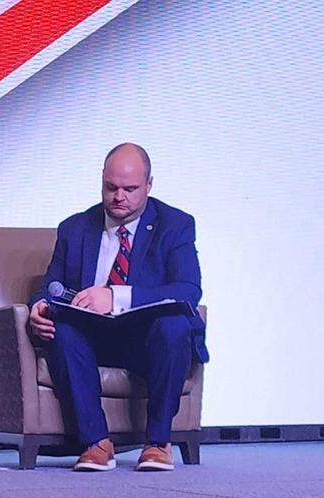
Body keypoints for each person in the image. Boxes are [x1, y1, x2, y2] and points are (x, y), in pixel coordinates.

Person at [28, 143, 208, 472]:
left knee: (176, 325)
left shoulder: (175, 225)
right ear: (101, 181)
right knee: (63, 331)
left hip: (147, 341)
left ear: (149, 185)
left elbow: (187, 290)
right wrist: (39, 306)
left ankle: (158, 443)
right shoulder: (75, 228)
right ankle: (96, 442)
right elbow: (49, 287)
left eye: (130, 188)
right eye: (111, 187)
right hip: (94, 339)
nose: (118, 197)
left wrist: (116, 296)